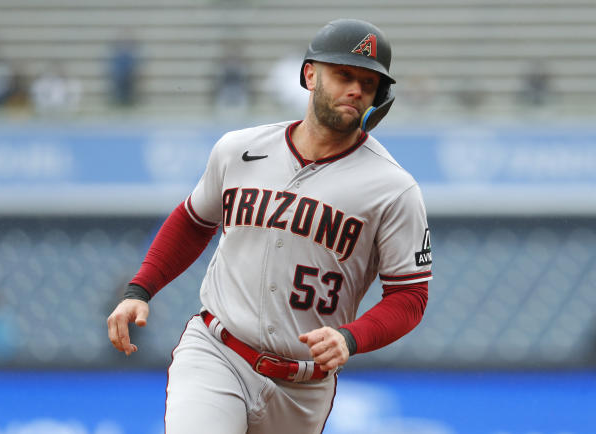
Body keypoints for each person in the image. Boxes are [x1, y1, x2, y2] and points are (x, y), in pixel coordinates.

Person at [107, 19, 432, 434]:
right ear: (310, 74)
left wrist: (351, 338)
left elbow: (410, 297)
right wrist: (140, 289)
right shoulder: (240, 149)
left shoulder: (393, 188)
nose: (355, 89)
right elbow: (193, 220)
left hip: (302, 388)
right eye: (344, 75)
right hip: (218, 351)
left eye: (368, 83)